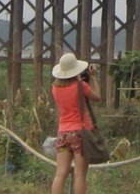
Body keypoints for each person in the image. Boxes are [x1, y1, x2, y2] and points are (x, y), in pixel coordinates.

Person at [50, 52, 101, 194]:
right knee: (80, 174)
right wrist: (94, 78)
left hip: (63, 132)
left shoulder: (55, 88)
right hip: (80, 132)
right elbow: (97, 97)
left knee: (60, 173)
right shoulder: (81, 86)